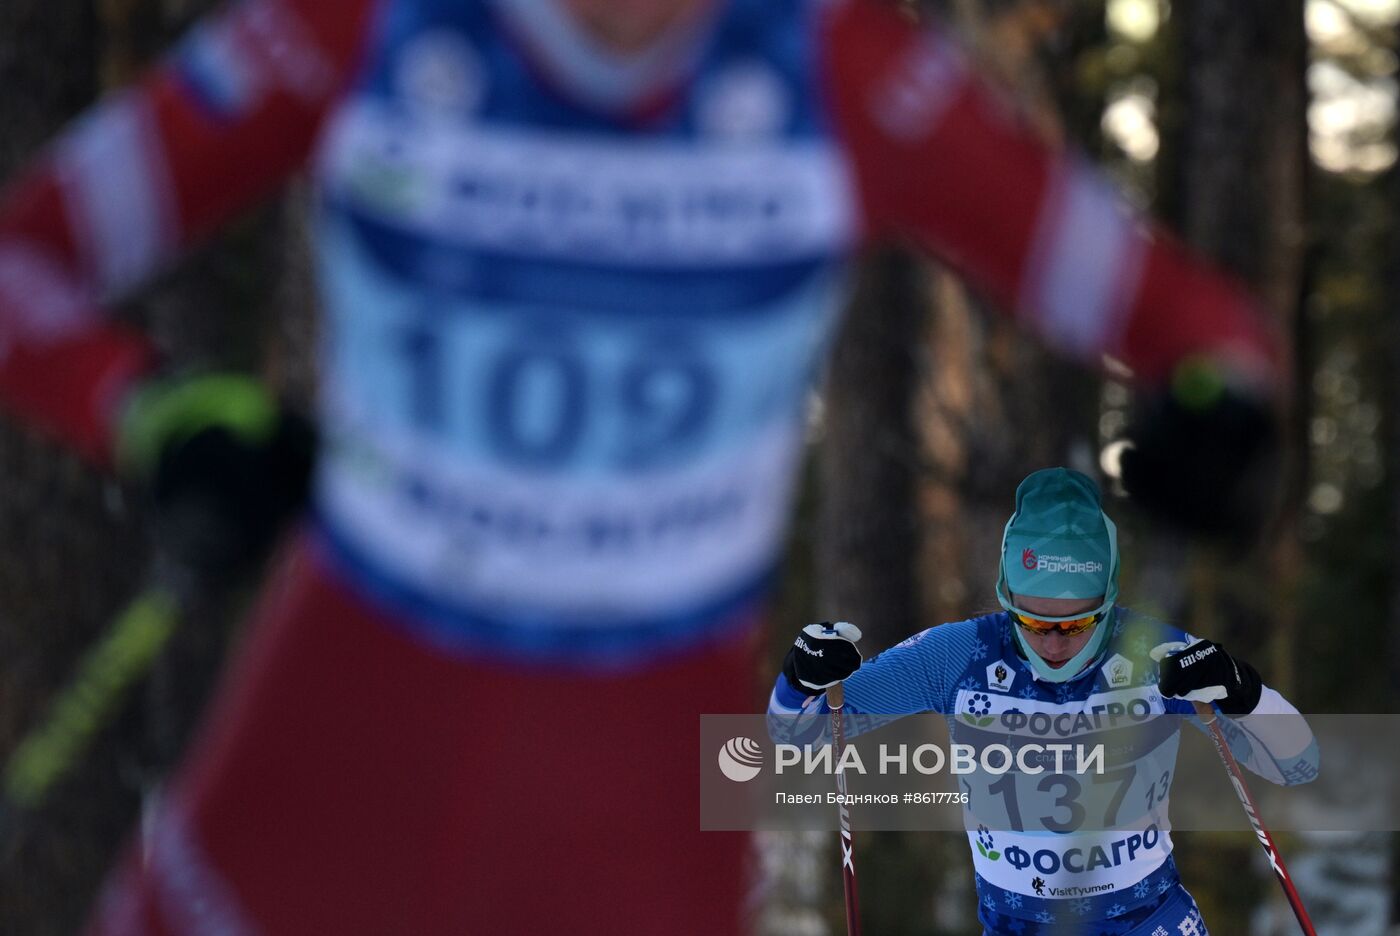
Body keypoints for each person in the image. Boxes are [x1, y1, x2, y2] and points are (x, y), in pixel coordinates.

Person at [0, 0, 1282, 931]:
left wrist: (1213, 417)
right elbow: (24, 262)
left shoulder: (847, 74)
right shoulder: (358, 34)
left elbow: (1197, 331)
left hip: (632, 775)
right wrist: (156, 420)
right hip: (347, 713)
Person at [771, 467, 1318, 935]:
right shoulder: (957, 656)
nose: (1054, 643)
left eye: (1078, 623)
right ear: (1006, 598)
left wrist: (1245, 691)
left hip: (1148, 923)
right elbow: (796, 736)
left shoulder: (1157, 655)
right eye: (1032, 621)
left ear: (1109, 600)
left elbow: (1298, 763)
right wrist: (801, 680)